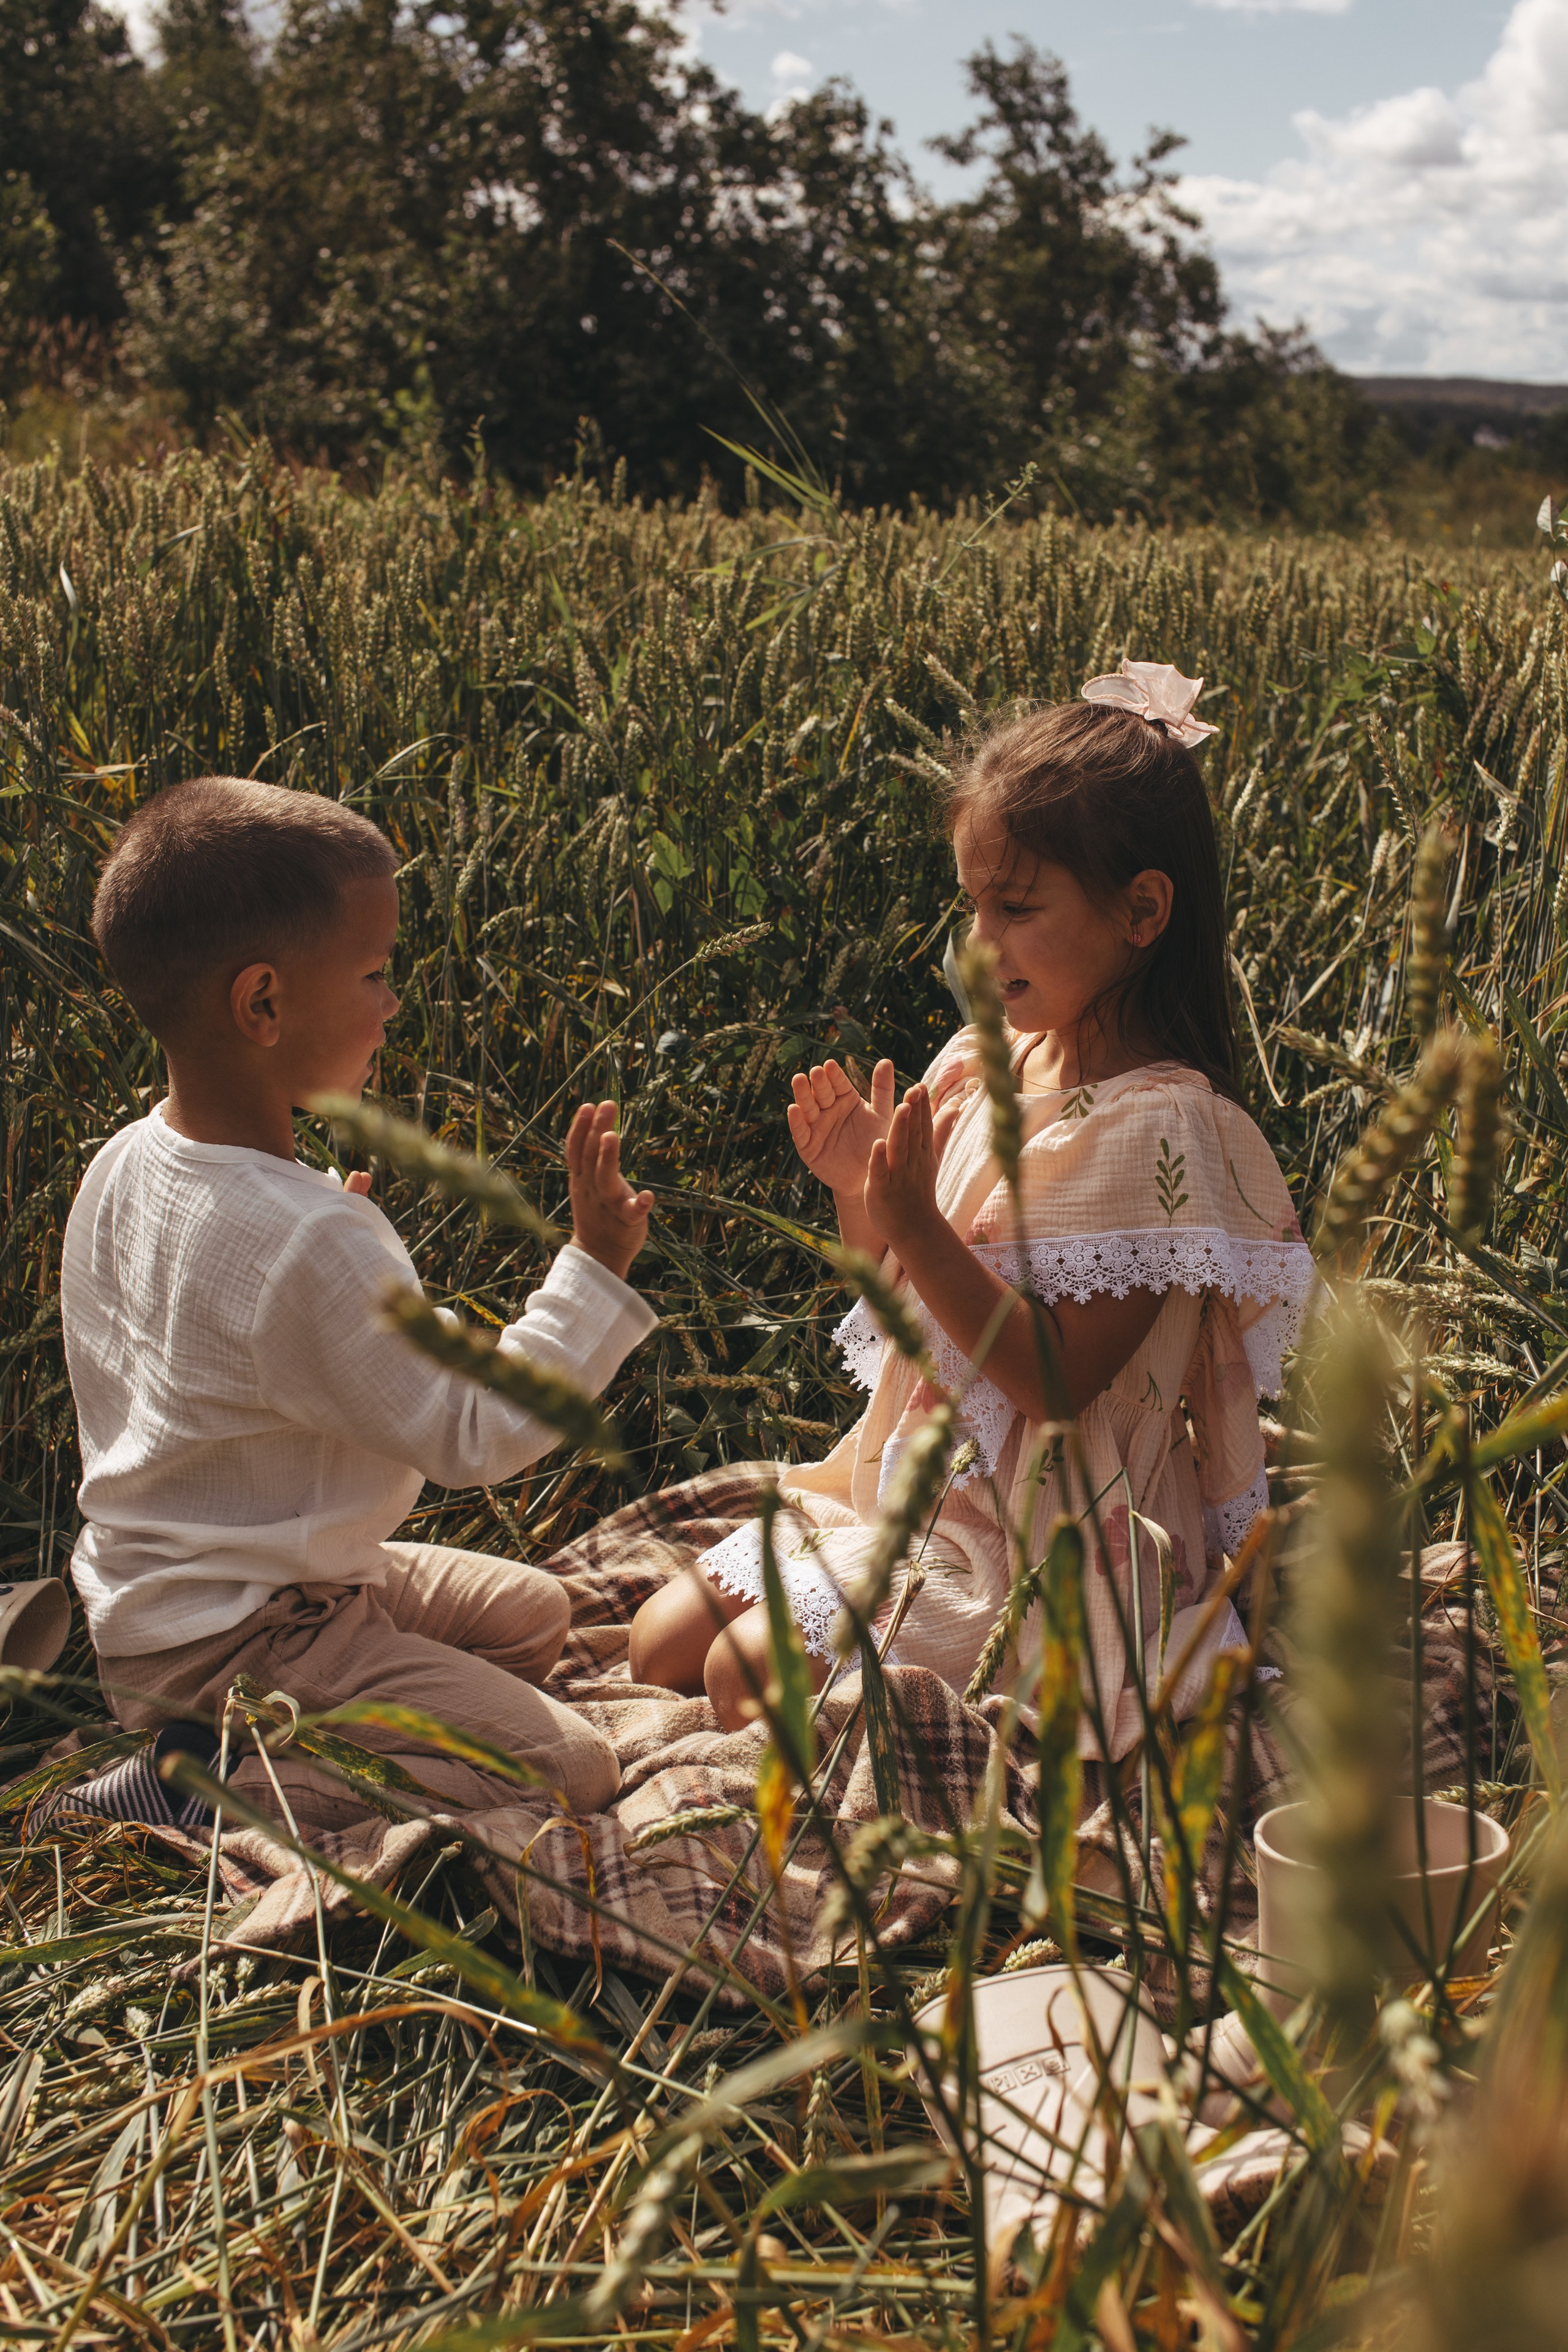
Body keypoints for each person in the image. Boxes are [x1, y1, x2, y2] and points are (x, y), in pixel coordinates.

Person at [629, 663, 1316, 1751]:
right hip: (929, 1488)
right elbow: (908, 1305)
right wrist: (865, 1196)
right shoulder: (976, 1066)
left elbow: (1052, 1379)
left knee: (735, 1677)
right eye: (972, 903)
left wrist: (915, 1222)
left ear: (1143, 910)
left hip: (1051, 1548)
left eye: (1018, 907)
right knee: (653, 1643)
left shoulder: (1161, 1135)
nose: (979, 942)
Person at [64, 774, 656, 1824]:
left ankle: (326, 1717)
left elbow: (204, 1325)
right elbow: (476, 1429)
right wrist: (595, 1265)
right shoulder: (305, 1241)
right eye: (377, 973)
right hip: (243, 1636)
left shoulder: (126, 1160)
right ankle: (200, 1782)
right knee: (571, 1770)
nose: (392, 1002)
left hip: (168, 1605)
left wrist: (313, 1239)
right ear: (263, 1004)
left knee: (535, 1614)